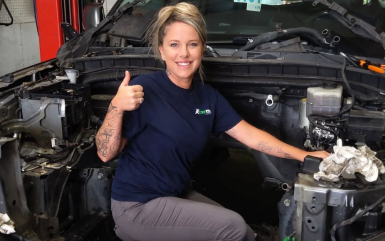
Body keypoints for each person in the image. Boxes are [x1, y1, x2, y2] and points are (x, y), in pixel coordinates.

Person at [95, 2, 330, 241]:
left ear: (202, 49)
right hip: (136, 205)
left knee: (248, 233)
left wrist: (305, 156)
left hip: (173, 194)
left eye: (192, 44)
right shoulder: (145, 90)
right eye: (174, 45)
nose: (184, 53)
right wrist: (116, 107)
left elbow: (252, 137)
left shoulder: (207, 97)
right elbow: (105, 153)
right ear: (162, 51)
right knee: (233, 227)